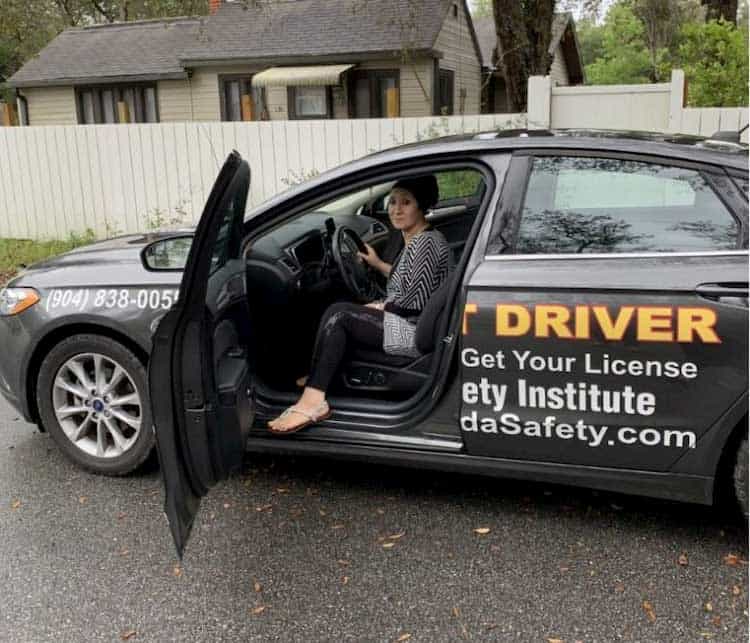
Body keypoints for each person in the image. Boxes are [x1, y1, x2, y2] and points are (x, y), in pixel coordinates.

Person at [268, 175, 450, 434]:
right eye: (393, 201)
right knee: (338, 307)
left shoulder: (427, 244)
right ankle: (320, 374)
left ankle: (313, 402)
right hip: (410, 318)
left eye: (406, 203)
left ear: (422, 206)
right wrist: (377, 265)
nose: (396, 209)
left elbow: (414, 301)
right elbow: (411, 281)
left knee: (339, 314)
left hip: (413, 329)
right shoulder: (419, 237)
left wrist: (381, 308)